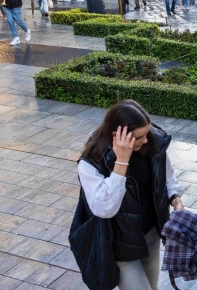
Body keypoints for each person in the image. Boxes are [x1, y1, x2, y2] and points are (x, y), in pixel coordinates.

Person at [75, 100, 185, 290]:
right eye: (139, 137)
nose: (145, 140)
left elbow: (167, 177)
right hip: (120, 244)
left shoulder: (153, 143)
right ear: (118, 135)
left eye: (147, 133)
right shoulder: (92, 162)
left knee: (153, 287)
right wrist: (122, 161)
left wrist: (175, 198)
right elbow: (104, 209)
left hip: (151, 234)